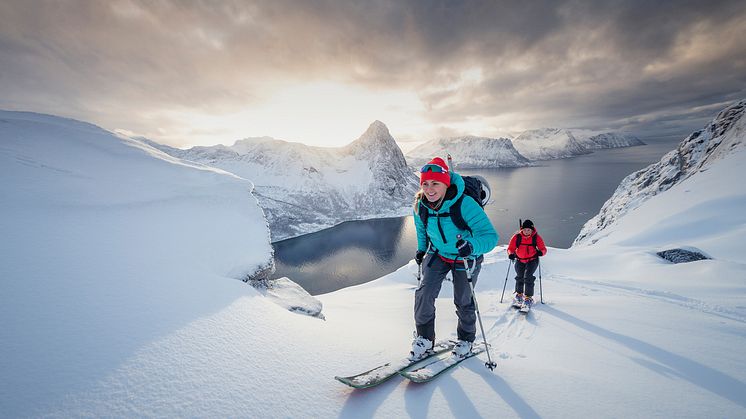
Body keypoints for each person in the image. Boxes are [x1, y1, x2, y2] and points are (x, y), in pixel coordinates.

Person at [411, 157, 498, 360]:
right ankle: (424, 338)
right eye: (425, 183)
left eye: (435, 183)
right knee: (424, 294)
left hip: (465, 257)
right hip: (439, 254)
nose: (429, 189)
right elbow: (421, 229)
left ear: (446, 183)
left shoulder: (464, 204)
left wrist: (472, 246)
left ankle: (466, 339)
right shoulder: (420, 204)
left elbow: (490, 236)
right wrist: (421, 249)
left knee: (463, 300)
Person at [507, 219, 547, 309]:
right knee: (519, 277)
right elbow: (511, 248)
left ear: (532, 230)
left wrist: (541, 252)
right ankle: (519, 294)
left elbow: (543, 248)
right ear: (522, 229)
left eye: (529, 230)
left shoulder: (536, 237)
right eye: (525, 229)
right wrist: (511, 254)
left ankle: (528, 298)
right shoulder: (517, 237)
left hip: (532, 260)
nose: (526, 231)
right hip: (520, 260)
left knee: (528, 276)